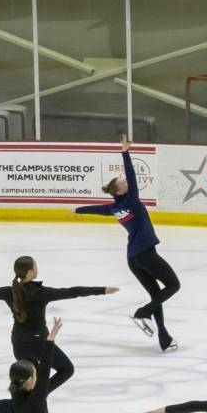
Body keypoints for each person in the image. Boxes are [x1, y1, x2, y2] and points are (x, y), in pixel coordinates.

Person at [0, 256, 117, 394]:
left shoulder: (9, 292)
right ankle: (39, 396)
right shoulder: (41, 293)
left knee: (31, 380)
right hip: (39, 343)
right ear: (30, 272)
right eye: (35, 267)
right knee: (66, 369)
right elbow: (73, 292)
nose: (37, 270)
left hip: (19, 343)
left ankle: (32, 400)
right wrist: (102, 290)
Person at [74, 133, 180, 351]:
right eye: (123, 182)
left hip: (133, 258)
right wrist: (125, 153)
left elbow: (96, 210)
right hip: (145, 254)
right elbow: (131, 176)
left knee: (156, 296)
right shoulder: (130, 200)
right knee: (173, 285)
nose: (126, 181)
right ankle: (143, 312)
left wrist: (78, 210)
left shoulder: (114, 208)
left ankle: (164, 338)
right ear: (121, 189)